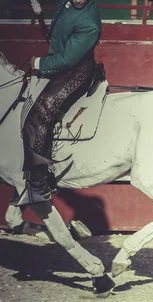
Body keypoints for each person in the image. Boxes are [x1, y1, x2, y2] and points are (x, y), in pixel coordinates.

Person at [17, 0, 102, 205]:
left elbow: (66, 59)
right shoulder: (65, 2)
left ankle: (38, 182)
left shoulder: (89, 22)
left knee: (40, 114)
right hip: (63, 67)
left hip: (77, 72)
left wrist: (39, 63)